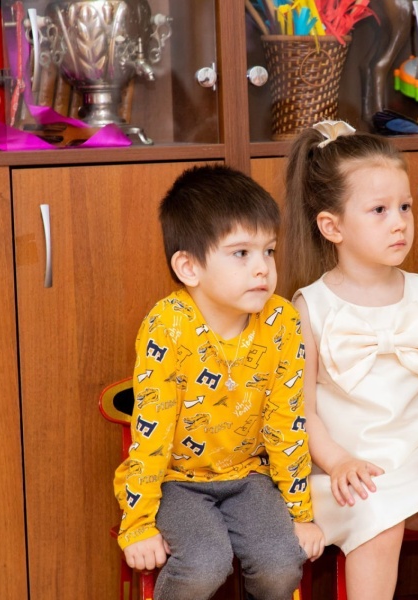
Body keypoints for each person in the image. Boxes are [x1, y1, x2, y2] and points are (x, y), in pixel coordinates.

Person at [280, 120, 418, 600]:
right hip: (345, 472)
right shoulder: (309, 306)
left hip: (417, 461)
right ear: (332, 226)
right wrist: (338, 462)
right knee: (381, 520)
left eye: (405, 207)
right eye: (379, 210)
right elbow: (301, 412)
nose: (400, 222)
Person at [112, 164, 324, 600]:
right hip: (177, 480)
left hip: (250, 476)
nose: (262, 268)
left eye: (269, 251)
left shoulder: (282, 321)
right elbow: (151, 432)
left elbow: (287, 423)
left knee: (282, 564)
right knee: (205, 563)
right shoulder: (167, 326)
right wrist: (138, 525)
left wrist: (301, 514)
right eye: (241, 253)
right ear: (189, 267)